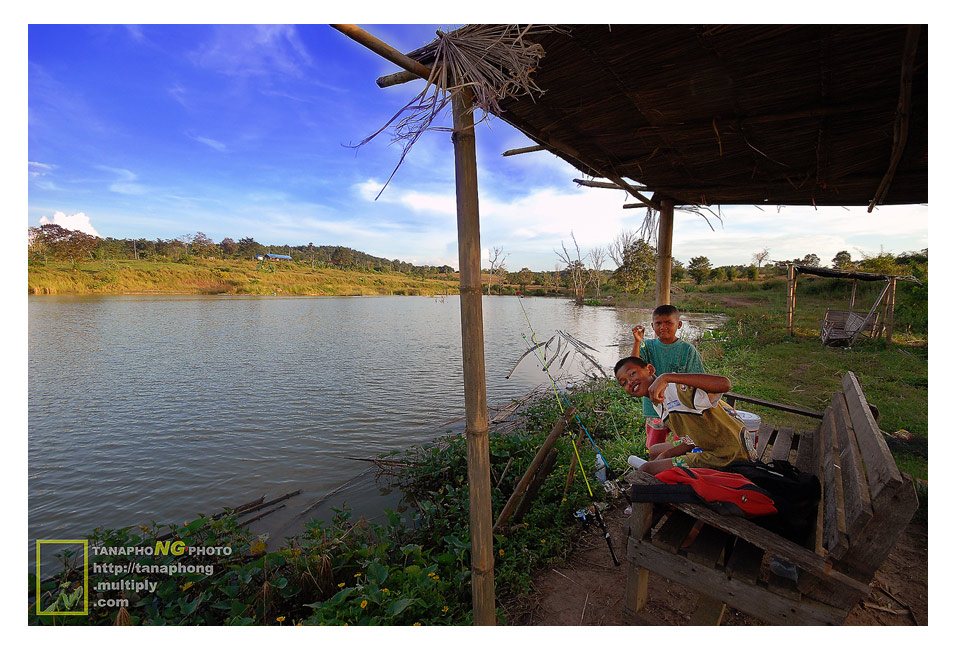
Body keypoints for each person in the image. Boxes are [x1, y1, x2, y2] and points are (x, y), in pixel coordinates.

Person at [613, 356, 754, 474]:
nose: (630, 382)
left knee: (647, 469)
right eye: (624, 382)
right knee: (656, 451)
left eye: (632, 374)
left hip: (728, 454)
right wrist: (666, 455)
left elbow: (724, 384)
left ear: (650, 370)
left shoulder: (676, 389)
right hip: (707, 440)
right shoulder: (658, 401)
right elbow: (691, 436)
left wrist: (667, 377)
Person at [630, 305, 705, 452]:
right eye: (658, 323)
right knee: (654, 446)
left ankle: (675, 470)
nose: (663, 327)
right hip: (655, 408)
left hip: (682, 408)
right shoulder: (647, 346)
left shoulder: (688, 350)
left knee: (683, 446)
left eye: (668, 323)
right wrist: (638, 342)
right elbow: (633, 368)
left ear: (679, 324)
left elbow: (698, 378)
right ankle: (655, 469)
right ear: (652, 326)